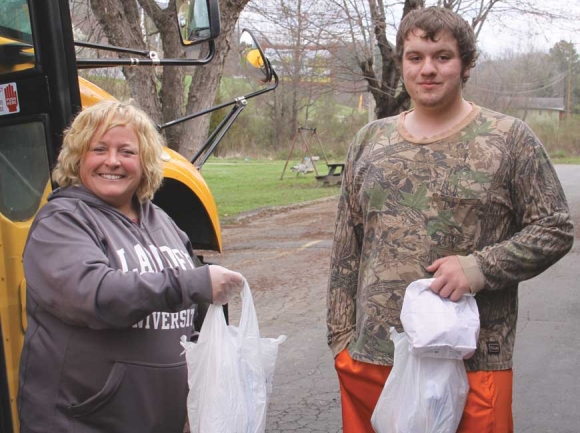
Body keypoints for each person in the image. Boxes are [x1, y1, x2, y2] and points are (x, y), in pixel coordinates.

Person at [327, 6, 574, 433]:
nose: (427, 69)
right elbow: (347, 246)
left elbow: (555, 227)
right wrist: (339, 339)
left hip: (473, 360)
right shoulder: (369, 140)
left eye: (442, 56)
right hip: (373, 359)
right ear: (401, 62)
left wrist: (479, 267)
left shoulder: (509, 138)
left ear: (465, 64)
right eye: (415, 56)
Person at [17, 100, 244, 433]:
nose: (112, 161)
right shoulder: (61, 221)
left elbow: (190, 319)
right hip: (82, 423)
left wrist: (200, 385)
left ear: (145, 161)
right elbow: (94, 294)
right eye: (99, 149)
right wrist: (191, 283)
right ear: (79, 158)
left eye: (126, 151)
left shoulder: (162, 221)